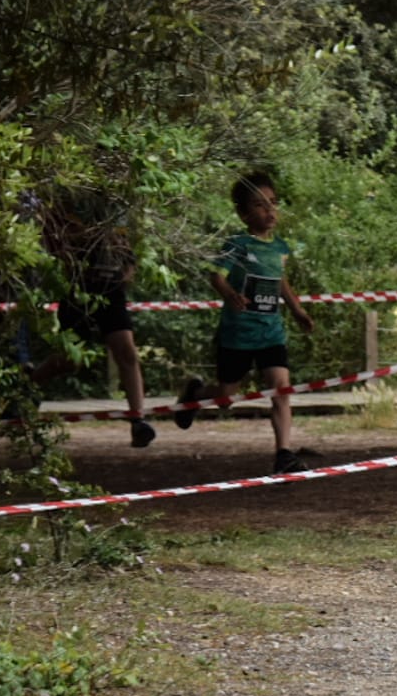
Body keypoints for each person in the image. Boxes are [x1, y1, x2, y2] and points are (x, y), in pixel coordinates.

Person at [174, 170, 316, 474]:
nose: (269, 211)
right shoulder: (236, 244)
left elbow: (280, 281)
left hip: (270, 332)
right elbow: (216, 276)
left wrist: (297, 310)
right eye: (260, 205)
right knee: (226, 397)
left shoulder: (279, 248)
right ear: (242, 213)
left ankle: (284, 454)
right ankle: (195, 393)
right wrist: (231, 295)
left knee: (281, 387)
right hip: (238, 333)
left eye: (273, 203)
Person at [25, 189, 158, 449]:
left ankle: (137, 421)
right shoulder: (67, 202)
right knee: (69, 360)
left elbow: (129, 247)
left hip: (112, 288)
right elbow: (52, 240)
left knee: (127, 352)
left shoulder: (119, 206)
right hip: (79, 288)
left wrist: (128, 270)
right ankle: (26, 388)